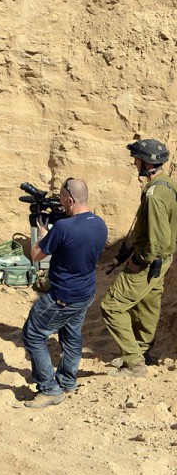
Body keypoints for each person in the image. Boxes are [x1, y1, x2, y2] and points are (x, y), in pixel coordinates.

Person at [22, 177, 108, 408]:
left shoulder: (62, 227)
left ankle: (49, 389)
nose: (59, 203)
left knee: (33, 334)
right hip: (86, 292)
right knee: (71, 336)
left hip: (63, 296)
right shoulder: (100, 223)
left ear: (70, 200)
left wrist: (42, 234)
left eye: (61, 199)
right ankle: (68, 380)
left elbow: (36, 255)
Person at [101, 138, 177, 377]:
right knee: (146, 305)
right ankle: (142, 352)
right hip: (163, 261)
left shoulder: (155, 194)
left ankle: (134, 363)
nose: (134, 163)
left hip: (150, 261)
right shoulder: (167, 185)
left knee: (111, 306)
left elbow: (158, 241)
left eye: (137, 159)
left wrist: (138, 260)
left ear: (147, 163)